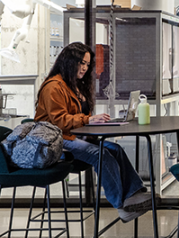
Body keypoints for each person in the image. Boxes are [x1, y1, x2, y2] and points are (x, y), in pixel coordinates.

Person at [35, 42, 156, 222]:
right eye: (81, 63)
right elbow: (59, 120)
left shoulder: (73, 85)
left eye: (87, 64)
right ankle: (121, 205)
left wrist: (98, 123)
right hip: (56, 139)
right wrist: (88, 120)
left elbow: (79, 117)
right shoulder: (54, 86)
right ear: (69, 62)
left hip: (73, 135)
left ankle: (134, 194)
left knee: (116, 150)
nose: (85, 68)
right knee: (101, 155)